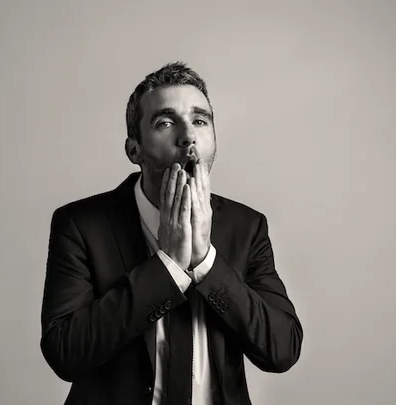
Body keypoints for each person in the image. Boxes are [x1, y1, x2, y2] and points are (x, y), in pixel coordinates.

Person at [40, 61, 303, 405]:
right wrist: (167, 269)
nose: (188, 135)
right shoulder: (81, 225)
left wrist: (206, 261)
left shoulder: (247, 227)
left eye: (199, 121)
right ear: (134, 149)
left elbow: (282, 350)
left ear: (213, 138)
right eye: (166, 122)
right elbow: (66, 353)